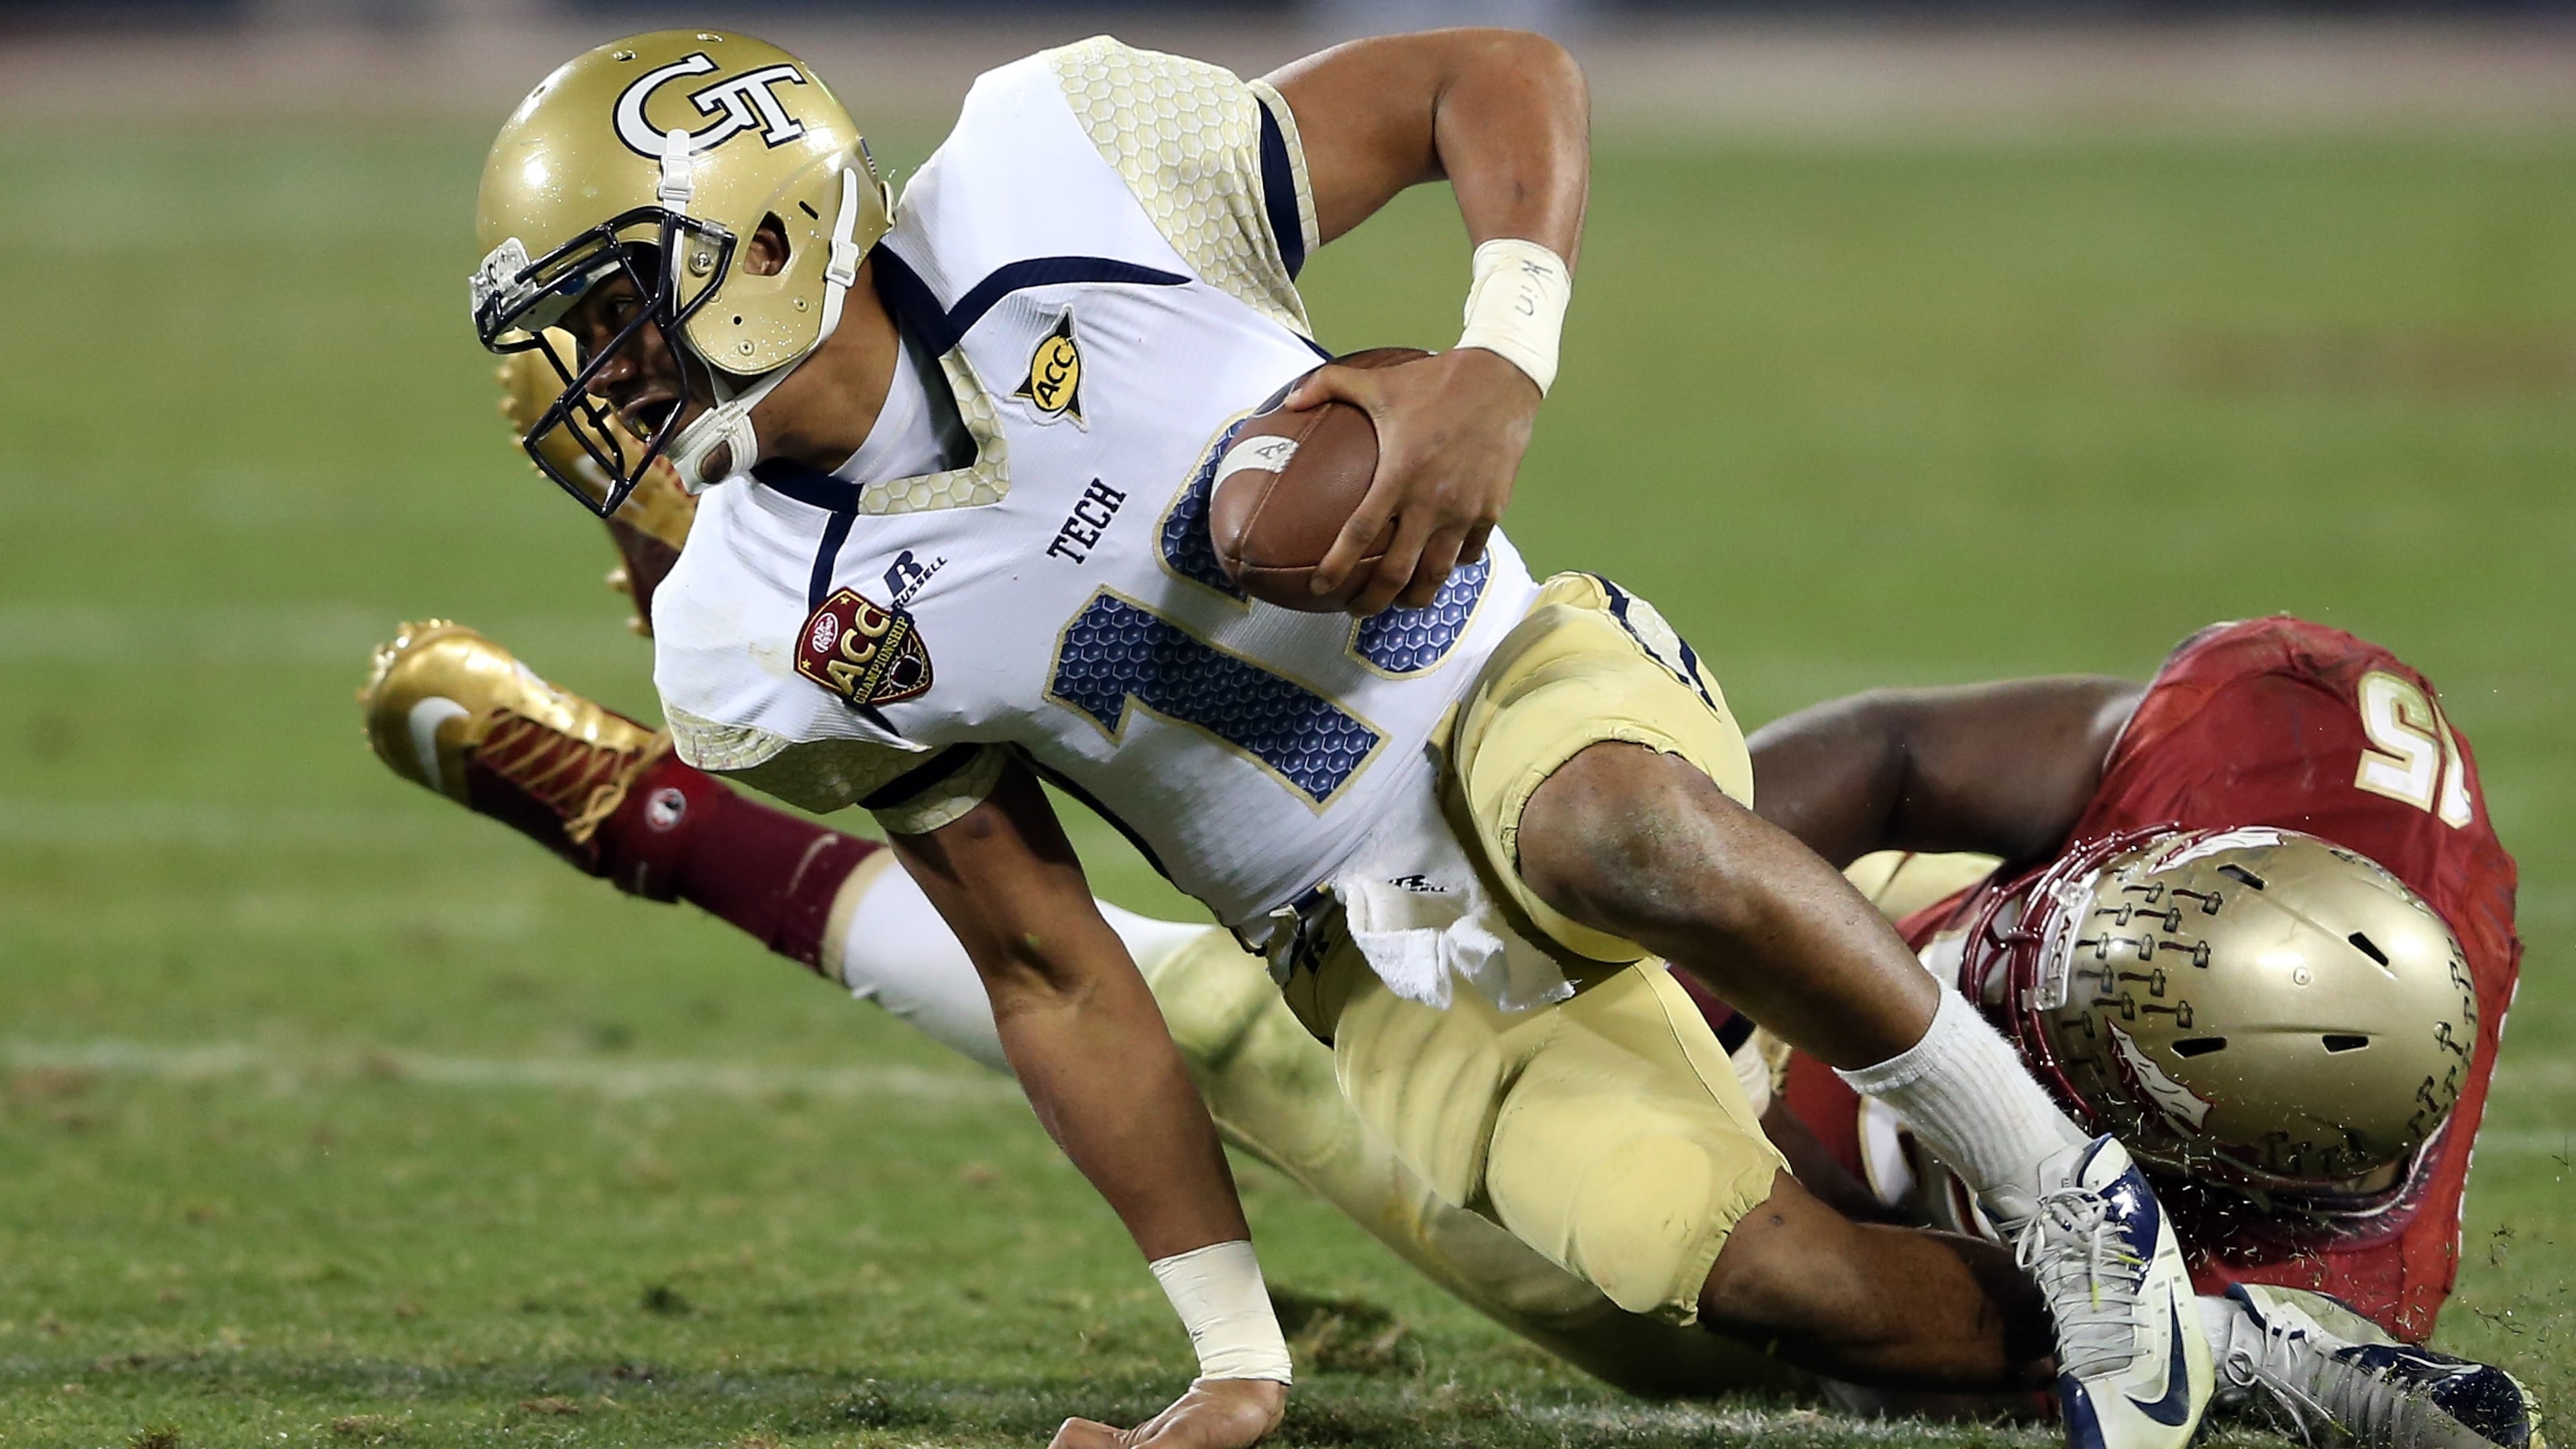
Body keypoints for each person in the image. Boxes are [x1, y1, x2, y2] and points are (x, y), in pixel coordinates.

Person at [466, 30, 2211, 1447]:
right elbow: (1049, 973)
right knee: (1774, 1291)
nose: (597, 377)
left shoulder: (1053, 163)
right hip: (1365, 957)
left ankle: (2073, 1200)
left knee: (1598, 829)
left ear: (767, 241)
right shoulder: (749, 635)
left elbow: (1491, 75)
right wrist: (1234, 1355)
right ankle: (2234, 1347)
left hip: (1515, 689)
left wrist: (1501, 361)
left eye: (618, 308)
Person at [358, 606, 2542, 1449]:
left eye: (2069, 1024)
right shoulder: (2291, 740)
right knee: (1675, 863)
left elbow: (1838, 1303)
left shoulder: (2326, 1296)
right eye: (2080, 933)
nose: (2031, 969)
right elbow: (1890, 755)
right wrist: (1646, 920)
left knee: (1236, 1024)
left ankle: (667, 829)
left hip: (1842, 1231)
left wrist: (1646, 1079)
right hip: (1873, 949)